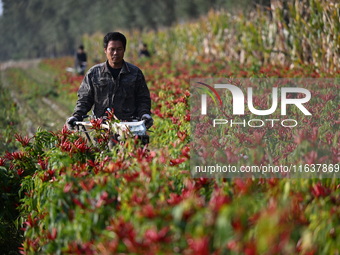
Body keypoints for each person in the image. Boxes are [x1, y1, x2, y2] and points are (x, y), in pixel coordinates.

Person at [66, 32, 153, 130]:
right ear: (105, 50)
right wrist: (77, 115)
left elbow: (143, 99)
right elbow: (85, 99)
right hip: (102, 127)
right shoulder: (94, 73)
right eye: (112, 49)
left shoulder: (135, 73)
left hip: (129, 127)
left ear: (124, 50)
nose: (115, 53)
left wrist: (145, 115)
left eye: (119, 49)